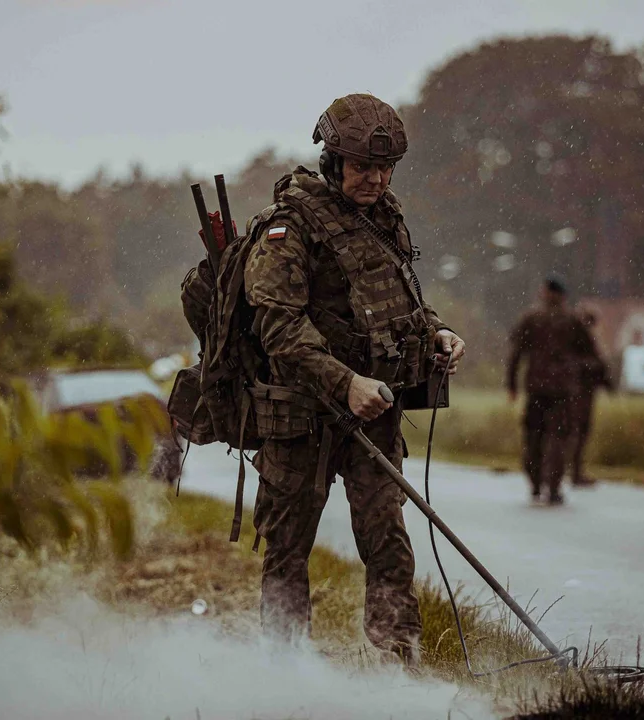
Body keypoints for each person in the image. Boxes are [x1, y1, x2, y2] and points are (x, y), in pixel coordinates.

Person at [242, 93, 465, 666]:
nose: (376, 177)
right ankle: (282, 668)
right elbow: (279, 328)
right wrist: (345, 383)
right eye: (364, 166)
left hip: (374, 408)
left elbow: (397, 301)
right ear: (333, 162)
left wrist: (436, 331)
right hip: (301, 415)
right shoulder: (289, 228)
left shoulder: (383, 216)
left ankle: (400, 657)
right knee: (289, 548)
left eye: (385, 167)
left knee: (386, 536)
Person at [506, 276, 595, 505]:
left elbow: (516, 354)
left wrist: (511, 385)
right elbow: (590, 353)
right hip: (563, 389)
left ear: (545, 292)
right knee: (558, 438)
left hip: (536, 387)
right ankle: (553, 488)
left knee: (534, 437)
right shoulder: (572, 320)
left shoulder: (532, 318)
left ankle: (536, 484)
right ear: (563, 295)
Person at [567, 306, 613, 487]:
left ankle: (568, 471)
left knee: (571, 433)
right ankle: (575, 472)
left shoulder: (574, 340)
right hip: (581, 393)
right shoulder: (583, 341)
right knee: (578, 432)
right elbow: (595, 364)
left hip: (576, 390)